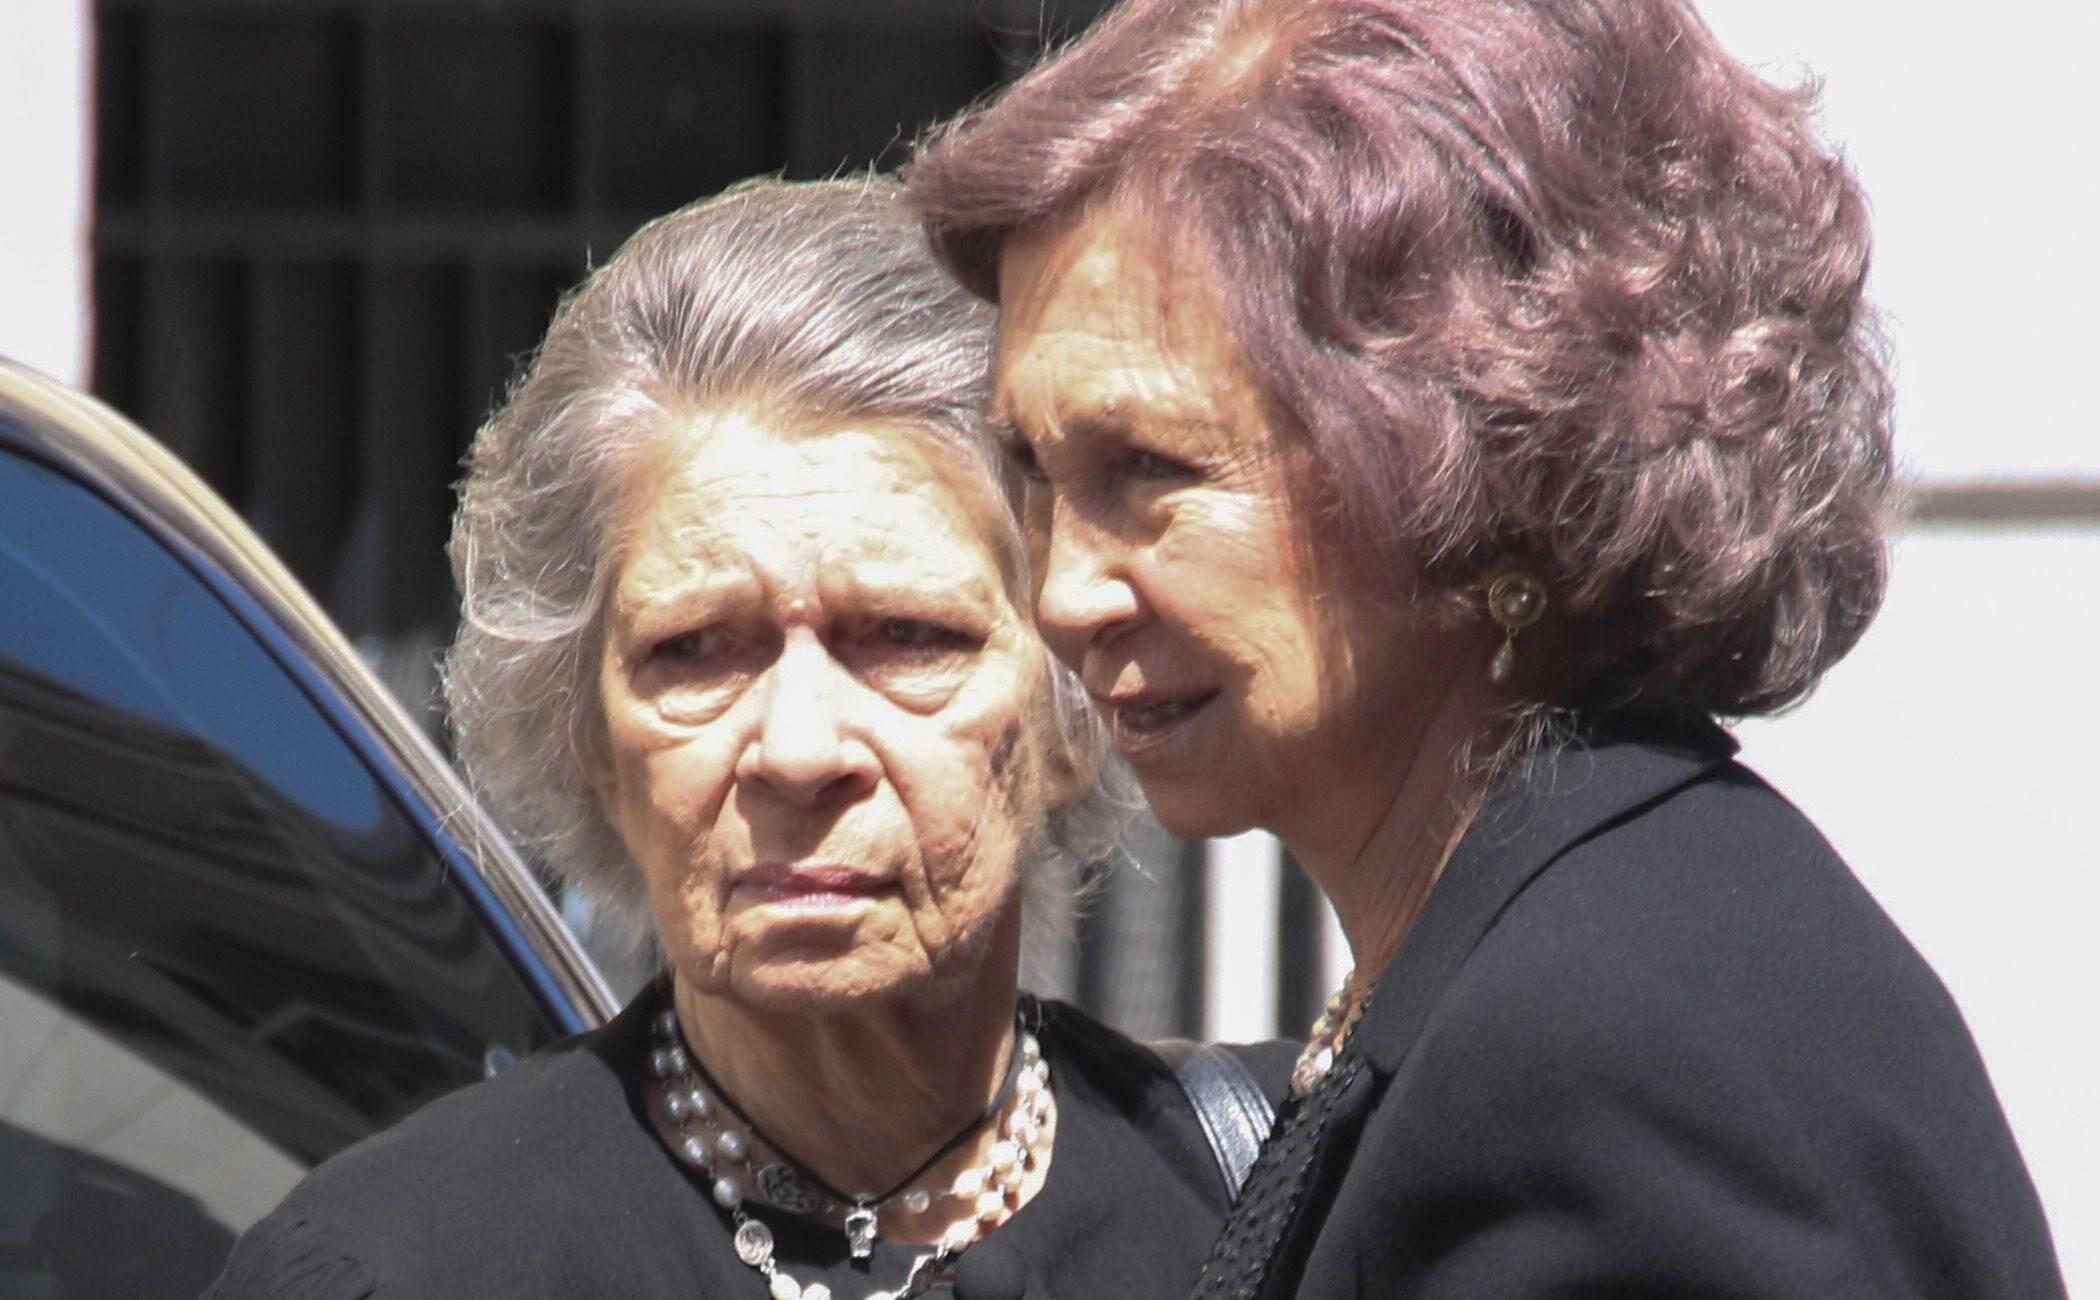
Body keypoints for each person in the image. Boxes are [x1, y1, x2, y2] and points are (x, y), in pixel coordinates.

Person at [907, 0, 2067, 1294]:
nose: (1065, 591)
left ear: (1477, 451)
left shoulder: (1598, 1044)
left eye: (1149, 468)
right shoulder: (1543, 938)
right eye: (1033, 470)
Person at [209, 177, 1289, 1300]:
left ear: (1070, 708)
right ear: (592, 743)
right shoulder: (394, 1270)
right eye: (695, 651)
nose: (799, 751)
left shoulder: (1282, 1220)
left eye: (906, 637)